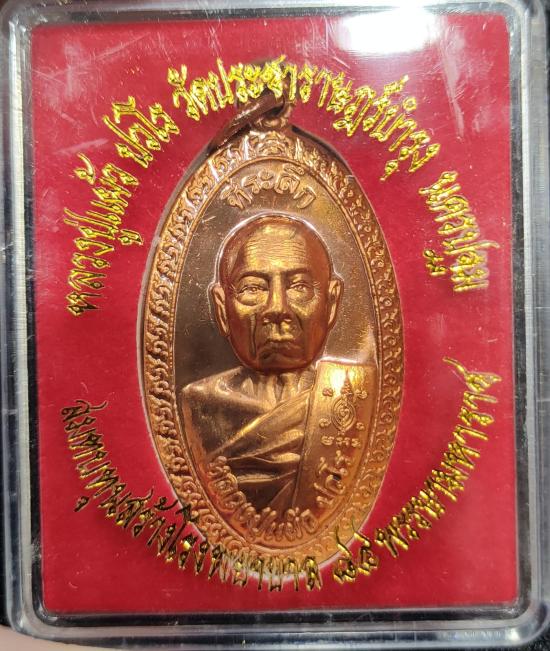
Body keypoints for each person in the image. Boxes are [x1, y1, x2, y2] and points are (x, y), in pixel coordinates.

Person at [180, 214, 374, 526]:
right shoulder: (200, 405)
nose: (277, 308)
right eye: (253, 288)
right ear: (221, 308)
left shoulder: (357, 394)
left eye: (299, 286)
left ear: (332, 302)